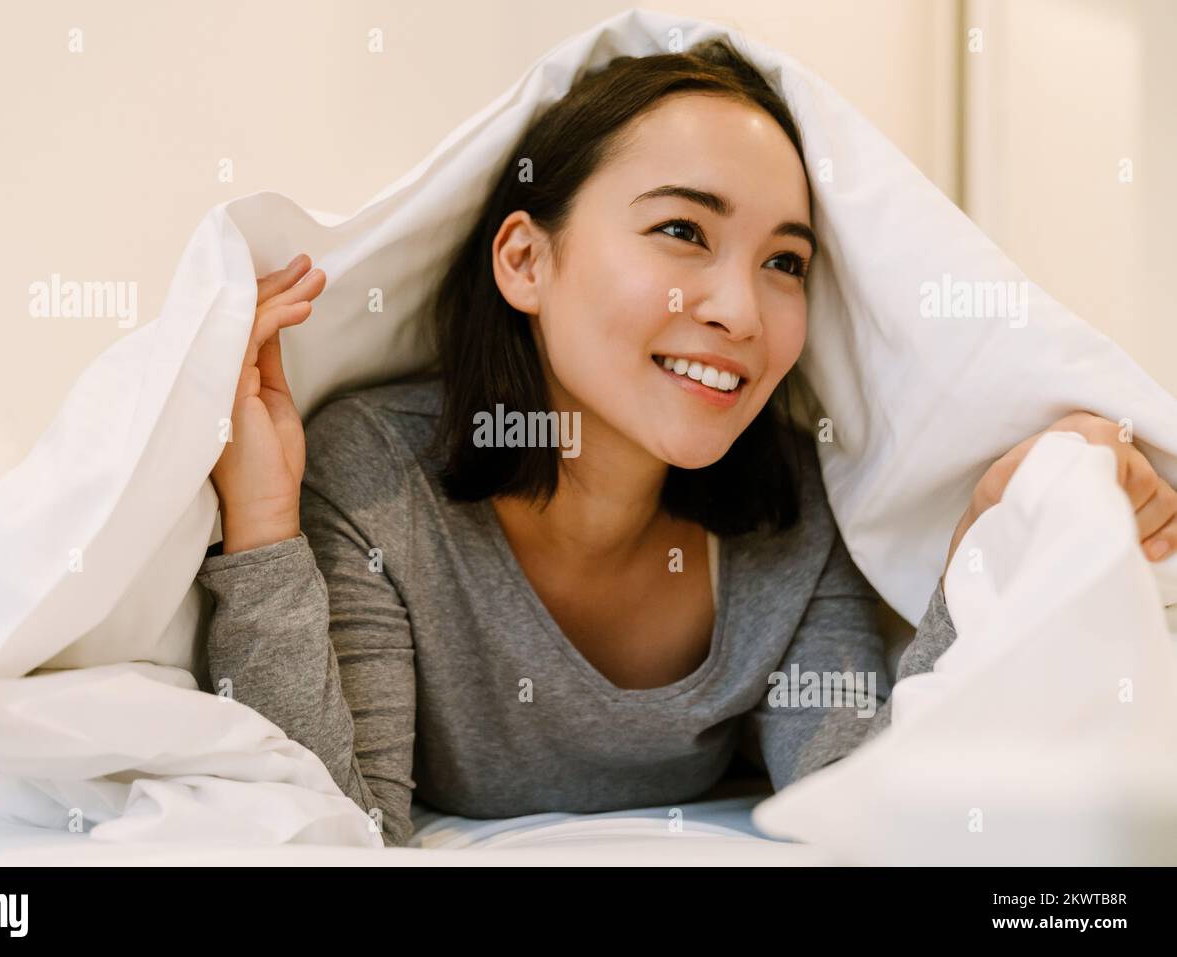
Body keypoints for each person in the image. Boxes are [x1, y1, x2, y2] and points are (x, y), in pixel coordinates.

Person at [194, 38, 1177, 848]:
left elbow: (865, 801)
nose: (741, 311)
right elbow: (331, 832)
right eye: (681, 231)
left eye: (784, 261)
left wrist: (990, 533)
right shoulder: (377, 480)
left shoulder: (788, 514)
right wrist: (266, 523)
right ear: (526, 260)